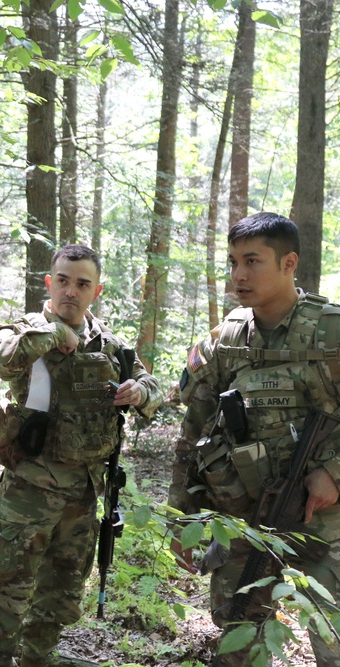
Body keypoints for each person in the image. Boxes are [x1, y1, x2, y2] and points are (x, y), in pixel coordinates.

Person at [0, 243, 162, 667]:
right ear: (49, 282)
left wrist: (139, 391)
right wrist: (57, 333)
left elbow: (153, 388)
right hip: (30, 490)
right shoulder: (25, 331)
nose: (70, 292)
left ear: (96, 291)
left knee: (59, 595)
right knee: (12, 588)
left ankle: (36, 659)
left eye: (82, 284)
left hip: (83, 493)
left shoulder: (112, 346)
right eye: (62, 281)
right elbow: (1, 356)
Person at [168, 212, 340, 665]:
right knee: (237, 633)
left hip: (325, 519)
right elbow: (193, 430)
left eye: (252, 261)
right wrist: (181, 518)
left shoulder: (331, 331)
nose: (239, 275)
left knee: (332, 639)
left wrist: (333, 472)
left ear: (289, 263)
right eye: (232, 262)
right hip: (245, 517)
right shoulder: (225, 340)